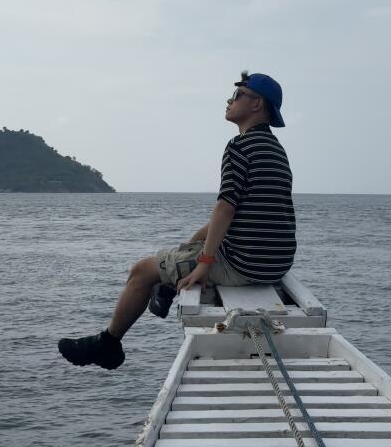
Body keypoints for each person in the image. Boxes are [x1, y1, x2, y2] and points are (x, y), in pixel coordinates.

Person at [58, 71, 296, 370]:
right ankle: (167, 288)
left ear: (256, 104)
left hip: (243, 264)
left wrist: (205, 263)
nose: (229, 100)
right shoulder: (276, 150)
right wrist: (196, 245)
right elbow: (245, 211)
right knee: (190, 246)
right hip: (275, 263)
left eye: (237, 94)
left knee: (141, 271)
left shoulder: (240, 146)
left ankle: (108, 344)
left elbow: (226, 208)